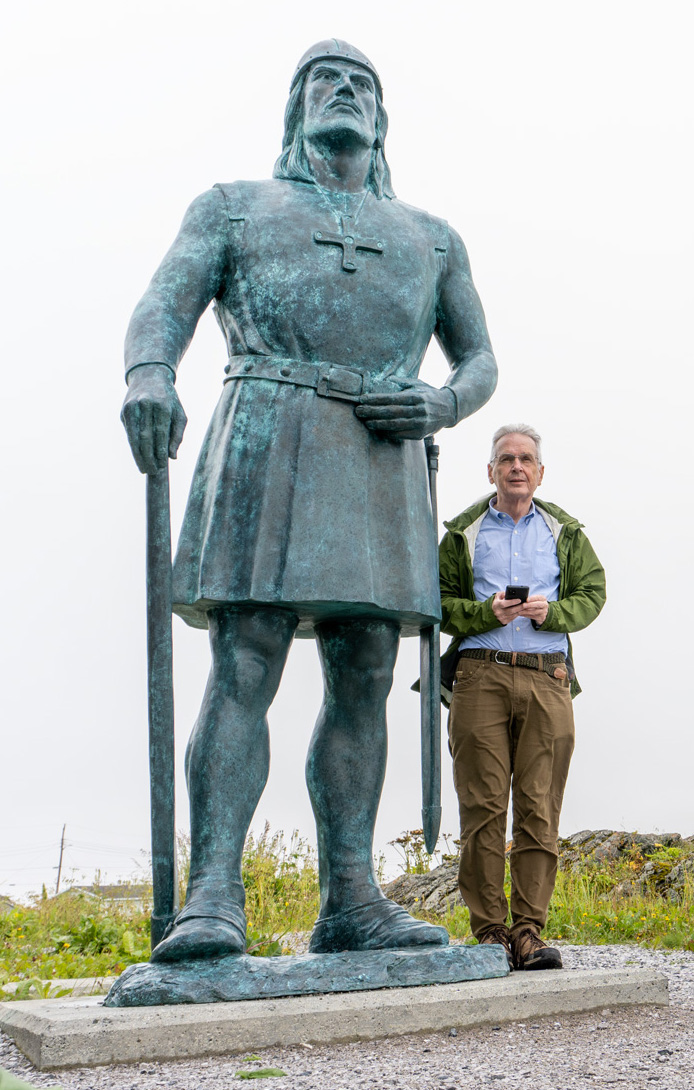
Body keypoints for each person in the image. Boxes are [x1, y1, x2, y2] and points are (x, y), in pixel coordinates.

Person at [120, 39, 498, 961]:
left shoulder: (431, 236)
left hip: (380, 451)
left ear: (382, 116)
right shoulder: (234, 208)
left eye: (363, 83)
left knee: (365, 673)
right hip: (270, 430)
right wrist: (148, 375)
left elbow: (479, 357)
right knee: (246, 660)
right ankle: (213, 890)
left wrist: (444, 401)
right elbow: (163, 303)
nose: (345, 91)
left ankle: (352, 898)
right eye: (324, 80)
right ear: (296, 111)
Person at [439, 424, 605, 970]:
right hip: (479, 674)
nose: (516, 466)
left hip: (546, 677)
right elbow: (436, 602)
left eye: (526, 459)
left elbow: (593, 593)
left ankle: (528, 932)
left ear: (539, 472)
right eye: (506, 458)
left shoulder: (565, 531)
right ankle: (489, 935)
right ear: (490, 471)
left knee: (539, 806)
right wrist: (485, 613)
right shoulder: (463, 532)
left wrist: (549, 613)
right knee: (483, 808)